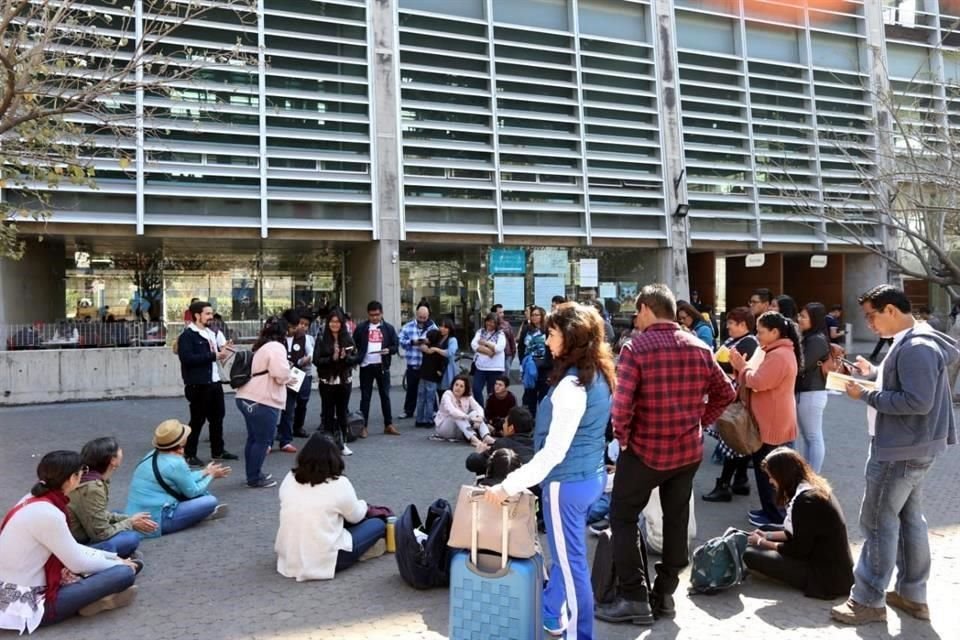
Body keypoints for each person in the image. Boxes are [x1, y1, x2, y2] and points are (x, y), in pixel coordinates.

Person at [597, 285, 735, 626]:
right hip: (686, 451)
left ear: (646, 308)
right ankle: (666, 594)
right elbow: (727, 392)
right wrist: (700, 421)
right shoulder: (700, 347)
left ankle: (634, 597)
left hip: (644, 450)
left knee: (623, 517)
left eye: (637, 310)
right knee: (677, 521)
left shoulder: (636, 348)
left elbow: (622, 405)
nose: (635, 316)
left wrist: (623, 439)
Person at [484, 302, 615, 639]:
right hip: (588, 476)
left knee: (572, 568)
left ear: (570, 337)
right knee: (570, 556)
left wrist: (506, 486)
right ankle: (551, 612)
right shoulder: (597, 374)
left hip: (566, 484)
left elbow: (553, 454)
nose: (547, 338)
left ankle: (579, 634)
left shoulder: (573, 386)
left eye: (553, 332)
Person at [832, 285, 958, 626]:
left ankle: (868, 599)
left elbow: (917, 402)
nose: (870, 324)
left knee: (875, 522)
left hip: (900, 449)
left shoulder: (916, 346)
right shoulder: (915, 339)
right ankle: (911, 595)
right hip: (912, 447)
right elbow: (906, 389)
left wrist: (866, 396)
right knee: (908, 519)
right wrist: (872, 376)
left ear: (891, 310)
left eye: (872, 316)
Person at [0, 451, 140, 632]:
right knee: (123, 573)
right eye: (82, 471)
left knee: (123, 546)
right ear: (72, 478)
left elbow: (73, 550)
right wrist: (118, 563)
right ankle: (92, 601)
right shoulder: (48, 513)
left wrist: (113, 558)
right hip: (28, 604)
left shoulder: (33, 498)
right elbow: (77, 563)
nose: (83, 474)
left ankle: (97, 598)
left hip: (34, 573)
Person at [743, 448, 854, 599]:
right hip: (826, 560)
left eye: (772, 476)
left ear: (783, 476)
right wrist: (766, 535)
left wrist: (763, 542)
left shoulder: (806, 502)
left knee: (750, 554)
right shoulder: (809, 488)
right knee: (764, 529)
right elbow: (796, 531)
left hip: (825, 576)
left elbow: (797, 549)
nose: (770, 481)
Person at [275, 433, 386, 581]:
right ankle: (363, 551)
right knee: (377, 524)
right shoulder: (339, 484)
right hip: (327, 558)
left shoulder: (289, 477)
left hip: (289, 554)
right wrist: (364, 504)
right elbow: (356, 516)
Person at [729, 311, 801, 529]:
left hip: (773, 424)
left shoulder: (779, 355)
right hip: (770, 421)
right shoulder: (774, 351)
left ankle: (776, 517)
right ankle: (770, 511)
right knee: (767, 470)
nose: (757, 335)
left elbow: (758, 381)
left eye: (761, 332)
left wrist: (742, 367)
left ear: (775, 332)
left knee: (772, 473)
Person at [125, 420, 230, 533]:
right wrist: (212, 475)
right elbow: (193, 491)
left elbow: (184, 478)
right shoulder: (176, 463)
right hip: (156, 519)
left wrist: (205, 472)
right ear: (180, 443)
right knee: (210, 501)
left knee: (201, 493)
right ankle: (198, 515)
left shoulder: (153, 453)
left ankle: (195, 514)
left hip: (135, 513)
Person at [702, 307, 758, 502]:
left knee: (732, 440)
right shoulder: (737, 341)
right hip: (732, 397)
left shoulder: (749, 342)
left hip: (735, 399)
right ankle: (740, 480)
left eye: (732, 323)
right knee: (736, 440)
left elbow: (733, 367)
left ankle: (724, 484)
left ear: (743, 325)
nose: (728, 327)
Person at [176, 299, 238, 467]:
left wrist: (224, 350)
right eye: (208, 314)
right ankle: (189, 454)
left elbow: (217, 353)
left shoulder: (211, 333)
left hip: (214, 382)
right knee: (197, 420)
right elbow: (187, 359)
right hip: (198, 384)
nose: (211, 317)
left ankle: (218, 450)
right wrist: (214, 355)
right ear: (197, 315)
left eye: (211, 313)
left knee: (218, 418)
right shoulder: (187, 336)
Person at [68, 437, 156, 556]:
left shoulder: (87, 477)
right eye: (118, 449)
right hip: (78, 542)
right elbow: (101, 534)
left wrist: (129, 520)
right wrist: (130, 522)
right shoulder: (92, 488)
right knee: (131, 538)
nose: (121, 450)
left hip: (80, 530)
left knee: (119, 515)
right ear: (112, 460)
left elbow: (99, 514)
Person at [235, 316, 296, 487]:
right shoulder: (277, 347)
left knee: (253, 438)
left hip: (246, 396)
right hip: (262, 399)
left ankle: (252, 474)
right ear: (284, 332)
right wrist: (289, 374)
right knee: (263, 440)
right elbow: (280, 373)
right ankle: (254, 478)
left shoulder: (261, 346)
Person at [313, 309, 362, 455]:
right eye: (332, 321)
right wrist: (331, 358)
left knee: (342, 413)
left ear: (342, 323)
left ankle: (343, 443)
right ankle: (328, 444)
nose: (335, 324)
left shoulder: (347, 338)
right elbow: (316, 360)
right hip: (327, 381)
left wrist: (346, 357)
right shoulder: (322, 338)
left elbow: (356, 358)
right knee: (328, 413)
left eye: (337, 322)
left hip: (344, 380)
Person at [353, 300, 400, 437]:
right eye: (372, 315)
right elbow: (353, 342)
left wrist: (388, 350)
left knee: (385, 396)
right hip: (366, 366)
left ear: (382, 313)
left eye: (377, 315)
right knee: (365, 397)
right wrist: (356, 356)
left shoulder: (388, 328)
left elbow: (395, 346)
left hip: (382, 366)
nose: (375, 318)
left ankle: (388, 424)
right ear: (368, 314)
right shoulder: (361, 328)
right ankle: (363, 426)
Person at [796, 303, 831, 473]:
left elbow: (801, 366)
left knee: (813, 437)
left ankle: (813, 475)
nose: (800, 319)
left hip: (811, 392)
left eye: (804, 316)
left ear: (814, 319)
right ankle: (809, 473)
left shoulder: (816, 339)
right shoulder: (810, 337)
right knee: (809, 437)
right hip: (807, 392)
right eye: (800, 315)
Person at [277, 309, 314, 449]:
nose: (297, 328)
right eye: (293, 326)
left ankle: (286, 439)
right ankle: (273, 438)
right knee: (278, 408)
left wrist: (305, 359)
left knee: (291, 407)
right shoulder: (278, 337)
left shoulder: (303, 337)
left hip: (296, 375)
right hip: (279, 375)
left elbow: (310, 352)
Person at [465, 406, 535, 475]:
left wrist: (478, 454)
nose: (503, 425)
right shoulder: (538, 444)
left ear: (511, 428)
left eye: (505, 422)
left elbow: (472, 464)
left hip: (506, 484)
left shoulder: (502, 444)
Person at [398, 302, 437, 421]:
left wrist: (428, 342)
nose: (422, 320)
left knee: (430, 389)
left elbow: (438, 341)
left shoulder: (432, 327)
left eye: (425, 318)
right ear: (416, 314)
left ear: (428, 316)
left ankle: (434, 411)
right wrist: (412, 342)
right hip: (413, 363)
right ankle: (408, 410)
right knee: (411, 388)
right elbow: (400, 340)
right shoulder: (407, 327)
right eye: (420, 317)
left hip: (427, 365)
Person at [432, 375, 494, 447]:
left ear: (465, 389)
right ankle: (474, 439)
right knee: (457, 415)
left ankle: (486, 436)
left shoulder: (467, 396)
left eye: (461, 386)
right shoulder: (447, 394)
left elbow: (478, 407)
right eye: (456, 385)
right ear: (453, 385)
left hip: (460, 429)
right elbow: (452, 411)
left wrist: (480, 418)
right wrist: (469, 418)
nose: (458, 388)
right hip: (444, 428)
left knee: (475, 413)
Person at [415, 326, 451, 428]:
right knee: (430, 399)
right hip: (432, 376)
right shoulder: (438, 349)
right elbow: (444, 360)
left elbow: (419, 344)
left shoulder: (425, 348)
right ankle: (429, 420)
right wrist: (440, 371)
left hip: (423, 374)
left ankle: (419, 419)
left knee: (421, 398)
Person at [470, 312, 506, 407]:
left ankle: (490, 412)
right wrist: (489, 351)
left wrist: (485, 343)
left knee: (492, 392)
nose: (490, 324)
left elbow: (499, 348)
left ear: (496, 324)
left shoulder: (500, 334)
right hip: (480, 367)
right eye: (488, 321)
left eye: (493, 322)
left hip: (495, 368)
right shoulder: (480, 332)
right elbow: (474, 345)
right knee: (476, 389)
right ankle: (481, 410)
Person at [291, 312, 317, 438]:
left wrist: (307, 359)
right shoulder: (289, 337)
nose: (303, 327)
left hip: (304, 373)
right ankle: (286, 427)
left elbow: (312, 352)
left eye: (306, 325)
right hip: (291, 373)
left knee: (303, 401)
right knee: (290, 401)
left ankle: (298, 426)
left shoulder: (307, 338)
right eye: (301, 323)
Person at [520, 306, 547, 416]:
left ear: (542, 316)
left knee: (544, 395)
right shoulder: (527, 329)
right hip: (529, 364)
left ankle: (543, 421)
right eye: (533, 315)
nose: (534, 317)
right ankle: (530, 420)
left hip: (544, 366)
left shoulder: (548, 329)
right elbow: (521, 346)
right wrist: (522, 361)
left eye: (537, 315)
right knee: (529, 394)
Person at [492, 303, 517, 371]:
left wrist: (513, 353)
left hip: (506, 355)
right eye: (500, 313)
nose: (502, 314)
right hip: (493, 355)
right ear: (494, 314)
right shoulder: (489, 325)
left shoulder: (506, 324)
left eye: (502, 312)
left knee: (505, 378)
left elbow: (512, 340)